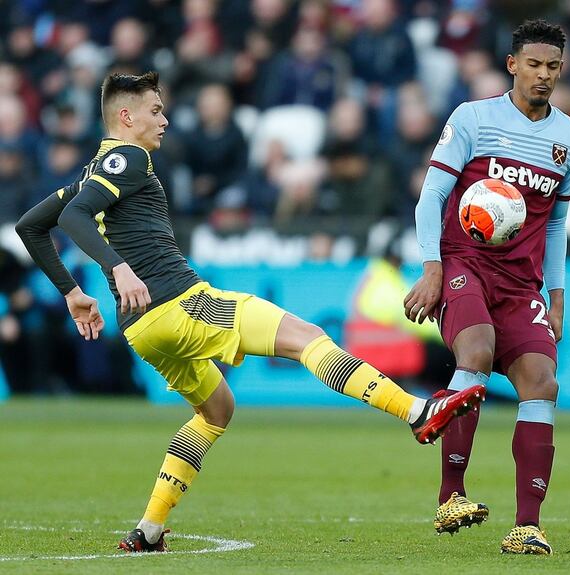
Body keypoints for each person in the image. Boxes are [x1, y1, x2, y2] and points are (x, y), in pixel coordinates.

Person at [14, 72, 485, 554]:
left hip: (141, 327)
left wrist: (74, 292)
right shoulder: (128, 157)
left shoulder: (94, 171)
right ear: (126, 116)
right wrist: (117, 267)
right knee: (305, 337)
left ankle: (149, 530)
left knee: (217, 409)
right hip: (180, 304)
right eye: (155, 110)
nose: (166, 119)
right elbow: (70, 221)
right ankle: (415, 411)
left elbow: (32, 226)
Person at [403, 20, 570, 555]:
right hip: (465, 262)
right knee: (477, 352)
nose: (543, 75)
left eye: (553, 66)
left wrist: (556, 296)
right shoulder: (474, 118)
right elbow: (430, 196)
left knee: (541, 383)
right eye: (533, 64)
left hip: (521, 283)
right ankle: (451, 494)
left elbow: (554, 224)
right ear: (513, 65)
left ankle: (527, 525)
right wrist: (433, 268)